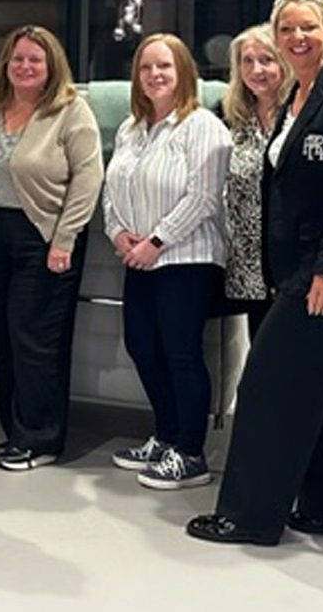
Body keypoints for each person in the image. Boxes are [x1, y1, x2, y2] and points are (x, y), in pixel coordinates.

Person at [188, 0, 323, 546]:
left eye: (307, 27)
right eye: (287, 29)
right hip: (300, 269)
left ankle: (248, 516)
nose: (296, 38)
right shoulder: (296, 97)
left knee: (266, 388)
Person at [0, 25, 103, 471]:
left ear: (51, 67)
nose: (24, 67)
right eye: (17, 58)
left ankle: (41, 438)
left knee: (35, 338)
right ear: (5, 63)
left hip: (42, 235)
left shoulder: (69, 111)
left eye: (34, 60)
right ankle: (15, 427)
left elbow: (88, 176)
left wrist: (65, 238)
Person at [103, 33, 231, 490]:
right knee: (143, 347)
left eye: (165, 67)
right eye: (145, 67)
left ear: (184, 73)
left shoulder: (203, 127)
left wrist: (157, 241)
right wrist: (118, 233)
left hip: (187, 259)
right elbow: (111, 190)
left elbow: (205, 197)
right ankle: (167, 436)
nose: (154, 75)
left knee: (180, 354)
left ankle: (191, 453)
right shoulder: (131, 129)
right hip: (138, 259)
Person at [220, 24, 290, 334]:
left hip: (294, 260)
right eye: (247, 61)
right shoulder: (228, 117)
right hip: (249, 265)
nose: (256, 69)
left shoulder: (302, 113)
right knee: (262, 354)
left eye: (266, 60)